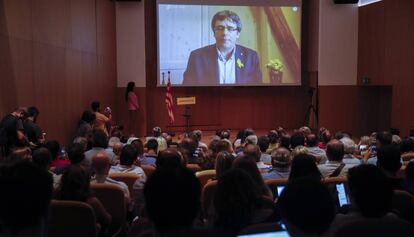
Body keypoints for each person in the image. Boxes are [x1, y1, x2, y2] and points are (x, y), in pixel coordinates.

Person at [183, 10, 262, 85]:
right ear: (214, 33)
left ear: (238, 34)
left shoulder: (251, 57)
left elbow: (257, 91)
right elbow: (188, 91)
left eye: (230, 29)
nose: (224, 33)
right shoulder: (197, 57)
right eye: (220, 28)